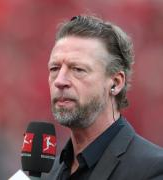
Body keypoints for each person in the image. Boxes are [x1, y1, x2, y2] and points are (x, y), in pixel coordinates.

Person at [44, 15, 163, 180]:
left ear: (116, 82)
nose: (60, 81)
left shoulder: (153, 169)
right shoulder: (46, 174)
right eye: (54, 68)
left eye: (78, 69)